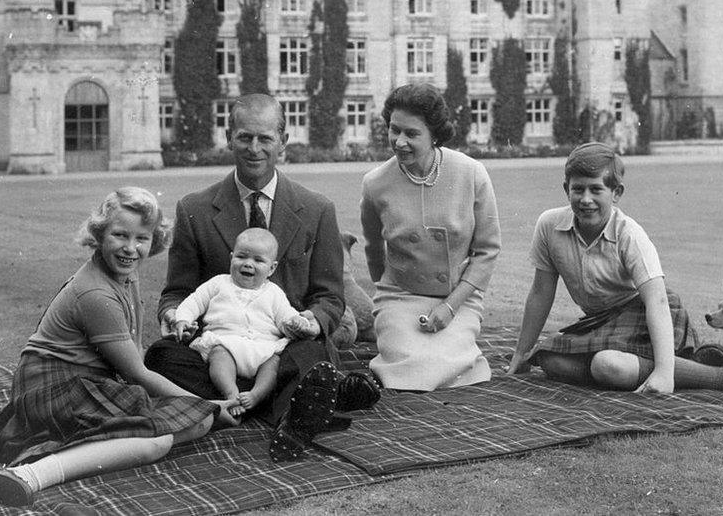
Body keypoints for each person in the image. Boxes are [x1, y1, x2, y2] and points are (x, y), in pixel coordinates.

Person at [0, 187, 236, 507]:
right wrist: (213, 404)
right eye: (120, 235)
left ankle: (71, 447)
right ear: (100, 235)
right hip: (50, 384)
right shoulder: (95, 294)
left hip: (83, 381)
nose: (131, 249)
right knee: (157, 442)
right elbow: (138, 374)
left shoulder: (125, 275)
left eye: (141, 238)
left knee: (195, 420)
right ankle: (29, 474)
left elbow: (136, 351)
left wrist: (202, 408)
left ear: (153, 240)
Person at [144, 93, 380, 462]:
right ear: (229, 137)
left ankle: (234, 405)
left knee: (312, 353)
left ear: (283, 142)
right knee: (160, 357)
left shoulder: (317, 209)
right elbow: (177, 292)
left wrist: (311, 322)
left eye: (265, 138)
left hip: (285, 349)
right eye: (244, 137)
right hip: (219, 352)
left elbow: (330, 298)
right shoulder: (194, 209)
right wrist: (174, 317)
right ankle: (297, 404)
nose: (254, 148)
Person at [506, 143, 723, 395]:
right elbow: (541, 292)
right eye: (578, 189)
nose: (586, 199)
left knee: (607, 365)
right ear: (566, 189)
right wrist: (520, 353)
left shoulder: (630, 234)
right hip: (601, 321)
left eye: (596, 189)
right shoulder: (549, 225)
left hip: (646, 312)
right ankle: (689, 364)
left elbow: (658, 301)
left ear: (616, 193)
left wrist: (663, 373)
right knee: (550, 360)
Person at [360, 83, 501, 391]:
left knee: (448, 365)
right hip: (400, 296)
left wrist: (451, 306)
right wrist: (390, 297)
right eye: (394, 130)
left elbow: (488, 251)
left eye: (411, 134)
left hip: (458, 299)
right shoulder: (375, 184)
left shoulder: (472, 174)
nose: (399, 142)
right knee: (409, 363)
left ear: (435, 134)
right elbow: (373, 250)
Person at [172, 228, 319, 417]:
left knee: (273, 363)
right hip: (226, 342)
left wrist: (297, 322)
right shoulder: (218, 283)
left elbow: (286, 315)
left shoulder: (273, 292)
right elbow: (194, 301)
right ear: (231, 258)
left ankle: (257, 394)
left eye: (258, 260)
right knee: (219, 356)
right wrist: (183, 319)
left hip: (263, 348)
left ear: (272, 268)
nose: (248, 264)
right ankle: (231, 393)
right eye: (242, 257)